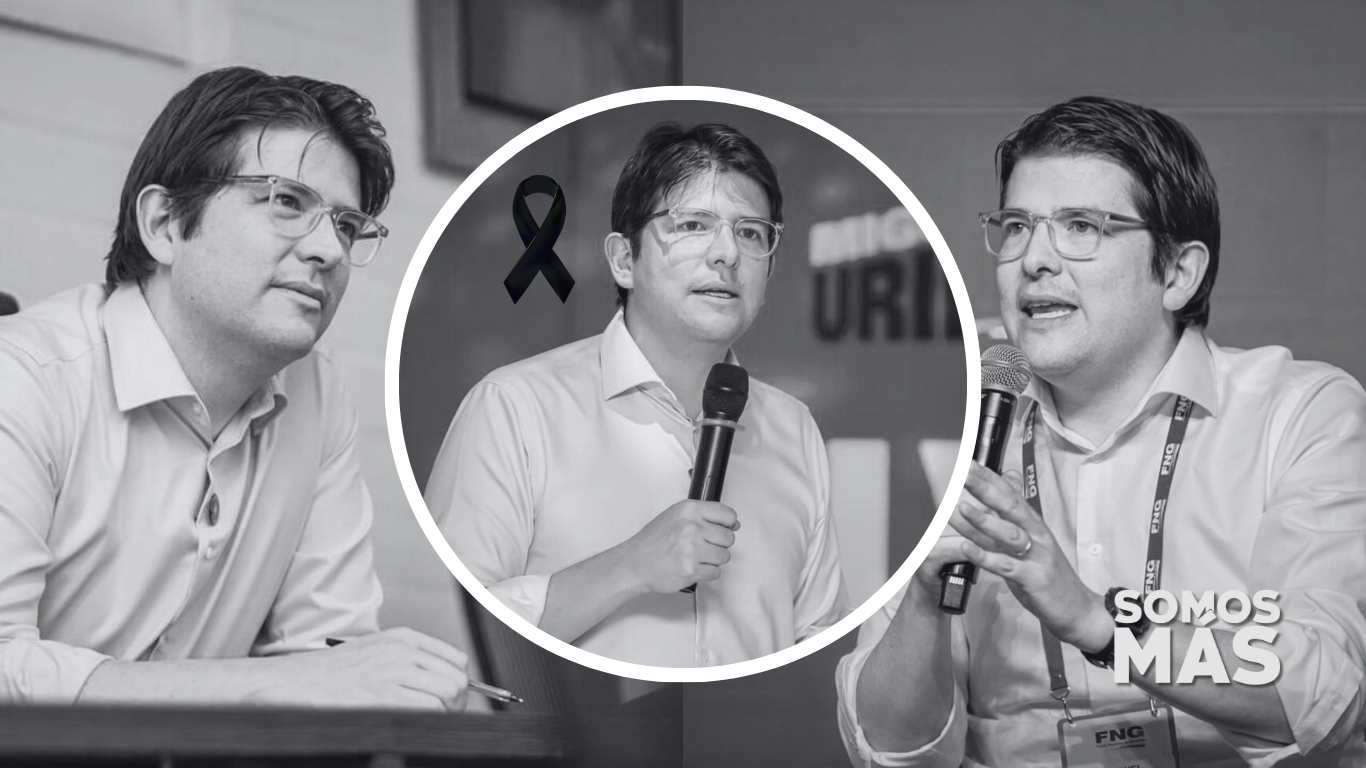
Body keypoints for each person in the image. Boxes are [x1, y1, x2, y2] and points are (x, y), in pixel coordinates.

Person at [837, 96, 1366, 766]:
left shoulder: (1299, 415)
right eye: (1017, 227)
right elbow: (886, 750)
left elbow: (1326, 691)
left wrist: (1101, 625)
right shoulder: (970, 427)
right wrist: (921, 604)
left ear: (1178, 273)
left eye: (1081, 226)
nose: (1034, 259)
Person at [0, 67, 469, 709]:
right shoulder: (24, 375)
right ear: (165, 223)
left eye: (346, 225)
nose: (331, 251)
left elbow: (332, 660)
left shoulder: (318, 396)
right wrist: (286, 682)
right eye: (287, 202)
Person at [426, 122, 848, 667]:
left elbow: (821, 641)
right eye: (693, 224)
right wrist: (629, 567)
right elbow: (452, 636)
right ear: (624, 260)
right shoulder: (515, 407)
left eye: (750, 233)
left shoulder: (794, 427)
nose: (727, 253)